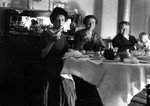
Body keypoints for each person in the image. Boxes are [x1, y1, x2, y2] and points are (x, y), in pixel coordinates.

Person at [40, 7, 69, 106]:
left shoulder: (64, 36)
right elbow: (42, 54)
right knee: (60, 78)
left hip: (61, 64)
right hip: (49, 64)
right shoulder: (46, 34)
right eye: (58, 19)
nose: (60, 22)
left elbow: (66, 52)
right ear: (53, 21)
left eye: (63, 20)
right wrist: (52, 41)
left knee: (70, 78)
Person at [73, 15, 104, 106]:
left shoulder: (96, 34)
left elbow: (101, 46)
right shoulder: (79, 33)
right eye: (89, 22)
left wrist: (101, 49)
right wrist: (83, 40)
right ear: (85, 23)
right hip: (81, 59)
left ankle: (92, 95)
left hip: (93, 58)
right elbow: (76, 47)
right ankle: (81, 97)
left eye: (93, 22)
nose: (91, 24)